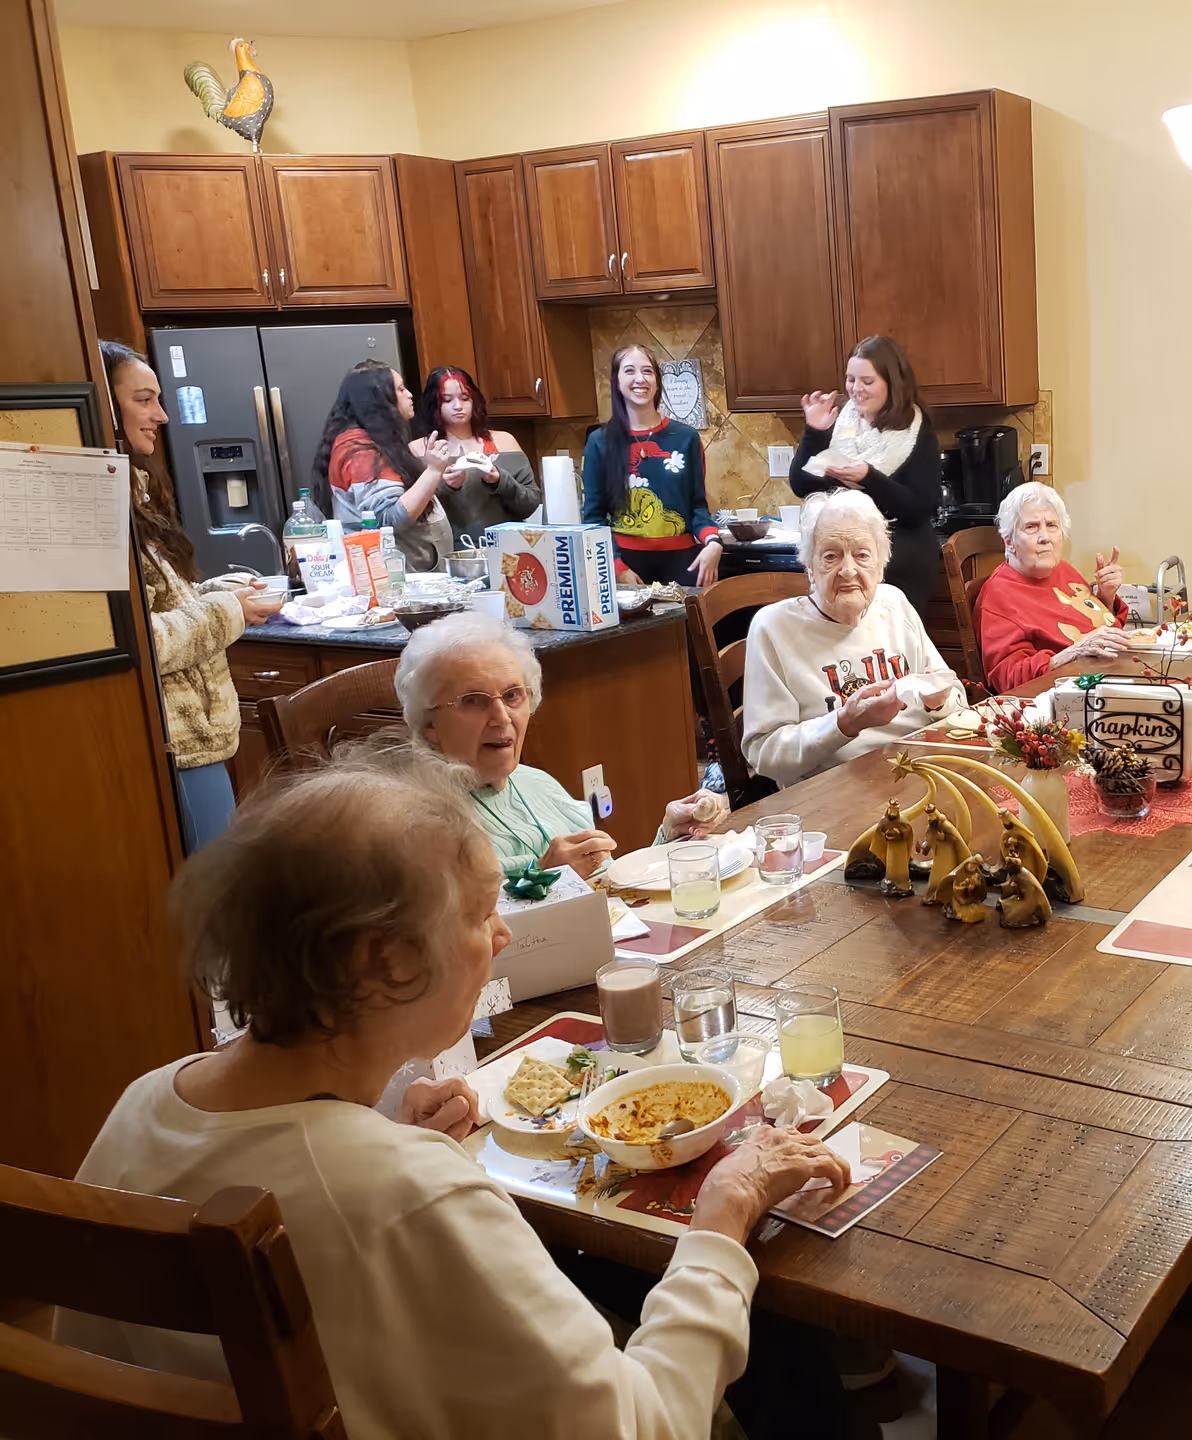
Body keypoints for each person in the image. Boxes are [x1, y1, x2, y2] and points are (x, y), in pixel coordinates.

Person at [60, 745, 850, 1438]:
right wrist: (722, 1219)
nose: (503, 934)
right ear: (382, 961)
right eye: (478, 914)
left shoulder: (145, 1101)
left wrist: (383, 1137)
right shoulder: (412, 1193)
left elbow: (91, 1353)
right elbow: (641, 1426)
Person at [101, 340, 279, 852]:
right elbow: (138, 639)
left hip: (194, 740)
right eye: (144, 399)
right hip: (173, 744)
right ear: (103, 406)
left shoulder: (132, 491)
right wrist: (229, 610)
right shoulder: (100, 508)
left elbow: (160, 604)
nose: (160, 414)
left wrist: (223, 592)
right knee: (209, 892)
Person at [395, 610, 727, 877]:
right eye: (474, 700)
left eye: (513, 696)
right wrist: (544, 876)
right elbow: (467, 942)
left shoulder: (535, 784)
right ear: (429, 722)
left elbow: (608, 892)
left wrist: (672, 833)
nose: (501, 717)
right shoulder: (421, 824)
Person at [741, 490, 963, 786]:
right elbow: (765, 756)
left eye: (862, 555)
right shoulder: (773, 629)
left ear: (881, 566)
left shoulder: (894, 604)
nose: (848, 570)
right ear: (809, 567)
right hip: (833, 795)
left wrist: (938, 702)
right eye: (831, 556)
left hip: (919, 774)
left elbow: (957, 700)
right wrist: (844, 723)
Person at [789, 336, 942, 615]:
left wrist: (868, 478)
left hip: (900, 562)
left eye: (867, 381)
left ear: (891, 383)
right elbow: (802, 484)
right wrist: (814, 430)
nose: (856, 389)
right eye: (850, 379)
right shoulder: (839, 424)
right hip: (840, 557)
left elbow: (920, 507)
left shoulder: (917, 432)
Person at [581, 343, 720, 588]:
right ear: (616, 381)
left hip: (684, 563)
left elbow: (697, 505)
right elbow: (593, 518)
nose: (639, 379)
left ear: (657, 381)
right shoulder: (599, 442)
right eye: (629, 371)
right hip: (626, 567)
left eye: (647, 371)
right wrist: (615, 567)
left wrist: (714, 542)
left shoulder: (686, 438)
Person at [973, 480, 1131, 693]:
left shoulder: (1063, 570)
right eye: (1031, 527)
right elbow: (1009, 679)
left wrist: (1106, 597)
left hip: (1109, 674)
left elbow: (1094, 627)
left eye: (1051, 526)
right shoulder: (999, 595)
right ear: (1009, 541)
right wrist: (1073, 653)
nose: (1044, 538)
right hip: (1065, 700)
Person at [314, 361, 459, 572]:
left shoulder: (374, 441)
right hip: (399, 580)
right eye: (400, 389)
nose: (410, 394)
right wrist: (433, 470)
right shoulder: (360, 451)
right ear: (379, 400)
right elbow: (387, 520)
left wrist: (434, 474)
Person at [409, 365, 541, 541]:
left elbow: (530, 504)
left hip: (507, 553)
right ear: (434, 405)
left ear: (475, 401)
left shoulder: (504, 442)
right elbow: (410, 515)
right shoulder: (417, 451)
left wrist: (500, 481)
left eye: (465, 398)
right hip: (447, 556)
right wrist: (445, 487)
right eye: (447, 400)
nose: (458, 406)